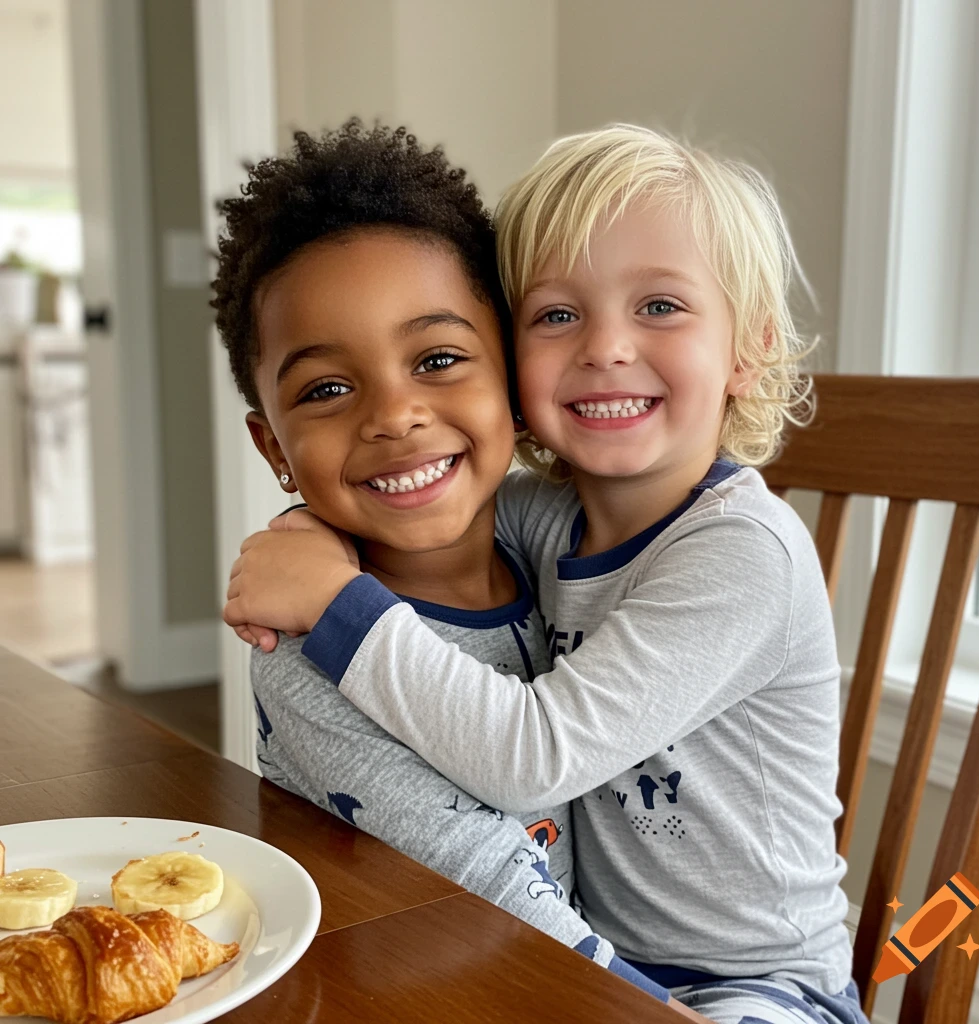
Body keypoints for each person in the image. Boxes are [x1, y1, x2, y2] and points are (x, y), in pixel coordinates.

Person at [224, 124, 868, 1024]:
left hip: (758, 983)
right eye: (558, 316)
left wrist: (334, 598)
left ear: (747, 348)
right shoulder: (538, 520)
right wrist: (310, 528)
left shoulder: (741, 551)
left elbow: (534, 757)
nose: (605, 346)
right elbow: (422, 509)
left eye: (661, 307)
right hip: (579, 950)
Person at [211, 119, 671, 1006]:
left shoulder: (554, 546)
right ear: (274, 446)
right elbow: (490, 881)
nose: (395, 414)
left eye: (438, 359)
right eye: (328, 389)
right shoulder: (307, 646)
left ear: (511, 377)